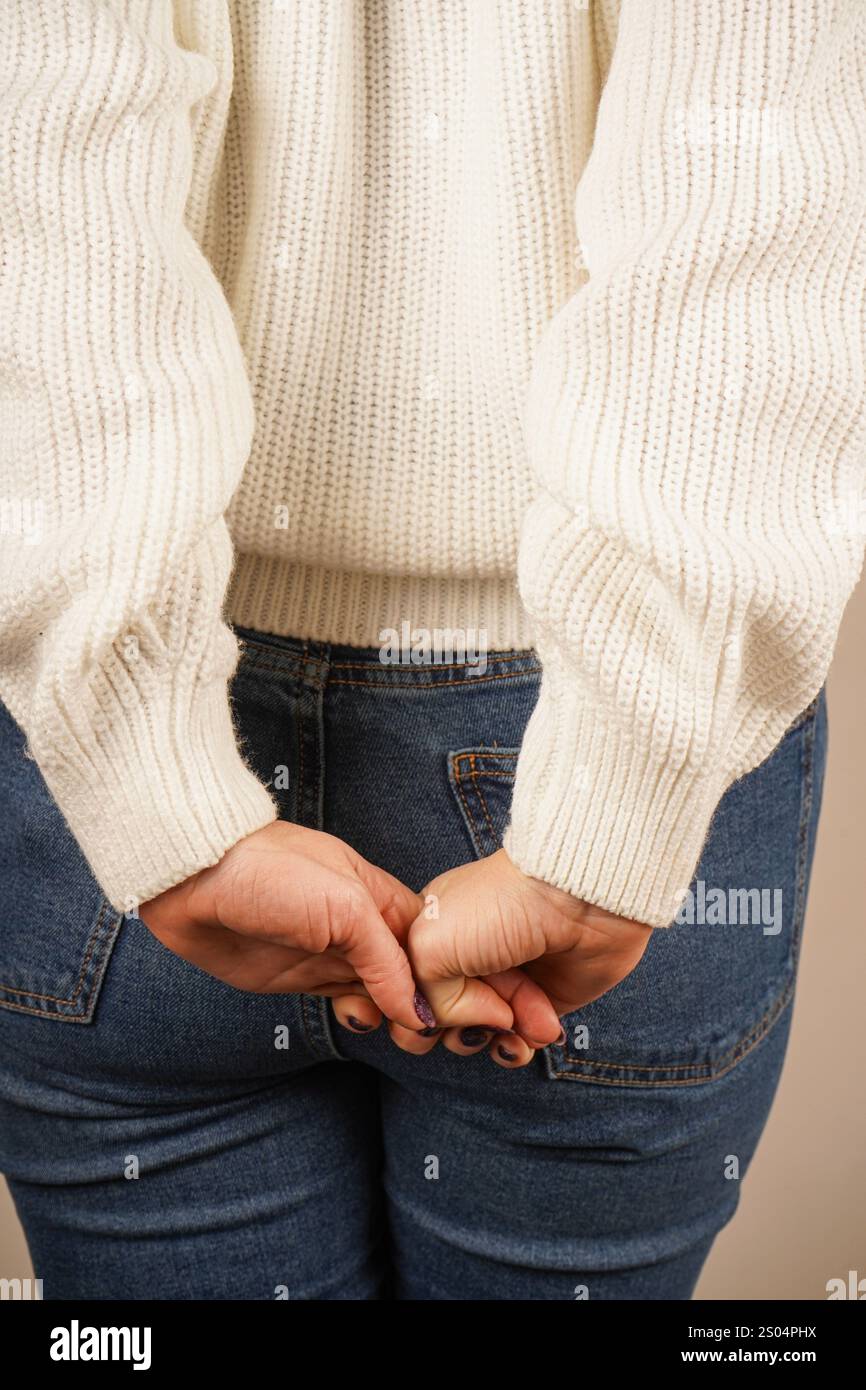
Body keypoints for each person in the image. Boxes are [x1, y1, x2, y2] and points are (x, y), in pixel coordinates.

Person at [0, 0, 859, 1300]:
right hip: (588, 721)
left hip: (104, 788)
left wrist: (140, 761)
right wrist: (617, 801)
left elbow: (40, 159)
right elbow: (751, 181)